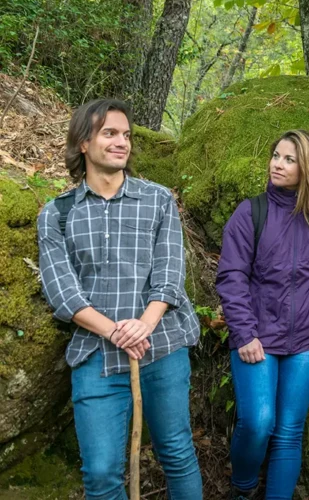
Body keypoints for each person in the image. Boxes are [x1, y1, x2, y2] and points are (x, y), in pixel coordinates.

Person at [37, 99, 203, 500]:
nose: (121, 142)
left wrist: (144, 324)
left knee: (177, 453)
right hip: (96, 355)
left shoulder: (159, 200)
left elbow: (168, 275)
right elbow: (63, 292)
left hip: (162, 346)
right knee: (100, 472)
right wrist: (116, 332)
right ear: (83, 142)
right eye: (109, 133)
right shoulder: (56, 214)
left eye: (126, 134)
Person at [216, 129, 309, 500]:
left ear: (308, 168)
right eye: (276, 156)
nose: (277, 164)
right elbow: (231, 277)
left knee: (288, 431)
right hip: (257, 337)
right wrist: (244, 333)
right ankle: (243, 489)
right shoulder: (251, 212)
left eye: (289, 159)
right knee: (258, 422)